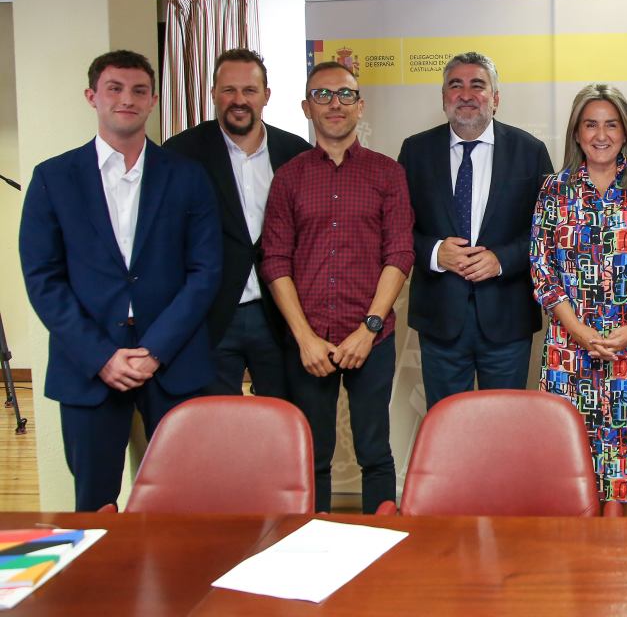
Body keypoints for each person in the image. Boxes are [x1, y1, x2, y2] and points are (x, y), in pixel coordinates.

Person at [19, 49, 221, 510]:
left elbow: (205, 271)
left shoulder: (188, 177)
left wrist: (155, 350)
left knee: (184, 498)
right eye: (114, 89)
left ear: (152, 101)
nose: (126, 99)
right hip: (89, 366)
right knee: (94, 503)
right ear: (92, 96)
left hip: (171, 361)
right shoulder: (54, 178)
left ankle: (180, 583)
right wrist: (101, 357)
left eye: (138, 91)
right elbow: (43, 278)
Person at [261, 61, 414, 513]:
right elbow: (274, 259)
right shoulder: (289, 177)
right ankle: (313, 549)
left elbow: (400, 254)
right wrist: (305, 338)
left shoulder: (388, 174)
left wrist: (368, 329)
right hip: (309, 343)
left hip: (371, 337)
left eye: (345, 95)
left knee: (375, 453)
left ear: (360, 106)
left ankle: (382, 552)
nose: (335, 104)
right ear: (307, 107)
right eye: (323, 95)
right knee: (313, 457)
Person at [530, 84, 627, 513]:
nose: (601, 134)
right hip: (570, 351)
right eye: (590, 124)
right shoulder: (554, 191)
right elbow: (542, 269)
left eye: (611, 124)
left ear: (625, 132)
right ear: (576, 133)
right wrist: (581, 332)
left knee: (626, 475)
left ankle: (619, 568)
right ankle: (580, 570)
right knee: (574, 471)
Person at [399, 52, 552, 409]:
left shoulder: (529, 151)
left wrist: (502, 259)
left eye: (477, 85)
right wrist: (436, 253)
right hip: (440, 319)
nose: (466, 94)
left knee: (504, 425)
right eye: (456, 85)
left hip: (506, 317)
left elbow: (549, 231)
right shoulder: (416, 151)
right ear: (444, 98)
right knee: (447, 427)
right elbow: (396, 229)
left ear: (495, 99)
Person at [163, 48, 310, 398]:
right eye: (228, 90)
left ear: (266, 96)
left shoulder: (297, 153)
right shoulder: (179, 155)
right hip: (210, 319)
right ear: (213, 93)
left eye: (249, 90)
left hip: (280, 317)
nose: (239, 100)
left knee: (281, 425)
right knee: (217, 429)